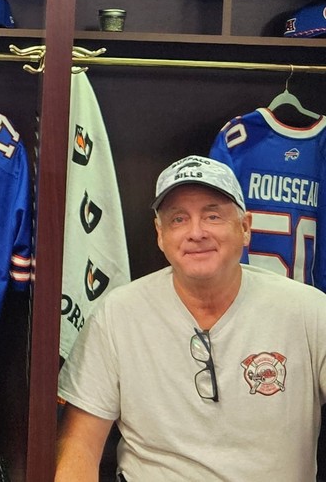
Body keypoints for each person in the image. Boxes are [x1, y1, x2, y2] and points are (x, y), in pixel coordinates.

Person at [55, 154, 326, 481]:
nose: (196, 233)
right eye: (178, 219)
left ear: (244, 228)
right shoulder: (119, 314)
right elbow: (79, 443)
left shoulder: (308, 311)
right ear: (160, 235)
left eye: (212, 216)